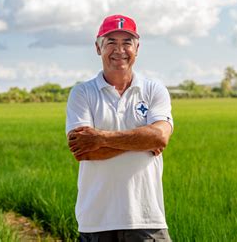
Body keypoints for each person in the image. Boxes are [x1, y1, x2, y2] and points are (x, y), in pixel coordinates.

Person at [66, 14, 174, 242]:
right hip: (96, 220)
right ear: (98, 47)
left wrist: (100, 138)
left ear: (137, 47)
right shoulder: (82, 93)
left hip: (146, 218)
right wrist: (141, 141)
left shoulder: (154, 90)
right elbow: (85, 151)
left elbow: (159, 138)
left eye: (127, 42)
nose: (119, 50)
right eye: (111, 42)